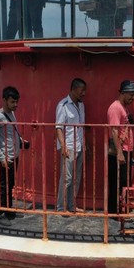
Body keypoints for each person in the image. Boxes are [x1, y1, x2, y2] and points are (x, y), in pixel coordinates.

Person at [0, 86, 26, 226]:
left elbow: (12, 132)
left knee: (10, 184)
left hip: (14, 155)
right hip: (6, 158)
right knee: (4, 185)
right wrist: (1, 157)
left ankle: (9, 210)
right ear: (4, 100)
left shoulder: (11, 113)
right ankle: (0, 213)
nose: (15, 105)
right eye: (12, 102)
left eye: (16, 102)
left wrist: (21, 142)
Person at [107, 79, 134, 217]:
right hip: (120, 151)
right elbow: (114, 131)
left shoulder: (123, 107)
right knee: (117, 182)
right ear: (124, 93)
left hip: (125, 150)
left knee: (123, 182)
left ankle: (120, 209)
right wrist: (120, 153)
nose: (133, 98)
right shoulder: (115, 107)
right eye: (131, 95)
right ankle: (115, 212)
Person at [55, 78, 86, 213]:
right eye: (82, 90)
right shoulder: (63, 105)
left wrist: (85, 143)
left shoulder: (81, 105)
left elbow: (81, 127)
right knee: (66, 178)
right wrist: (63, 146)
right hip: (69, 146)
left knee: (76, 178)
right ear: (73, 89)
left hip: (79, 145)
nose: (84, 93)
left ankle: (72, 205)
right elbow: (58, 127)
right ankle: (61, 207)